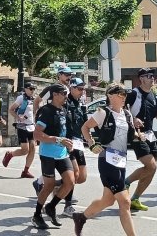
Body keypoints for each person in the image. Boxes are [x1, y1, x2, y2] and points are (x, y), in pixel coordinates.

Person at [74, 83, 140, 236]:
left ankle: (80, 217)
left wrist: (138, 136)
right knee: (125, 202)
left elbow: (128, 135)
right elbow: (85, 127)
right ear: (110, 96)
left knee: (108, 200)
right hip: (107, 160)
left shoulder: (127, 114)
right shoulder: (103, 112)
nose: (123, 97)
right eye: (120, 94)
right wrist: (91, 144)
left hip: (121, 160)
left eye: (124, 95)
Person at [124, 68, 157, 211]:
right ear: (141, 79)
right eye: (148, 76)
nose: (152, 78)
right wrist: (132, 119)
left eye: (153, 76)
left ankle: (135, 199)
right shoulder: (134, 94)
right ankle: (126, 182)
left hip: (150, 134)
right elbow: (120, 109)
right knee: (151, 166)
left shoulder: (153, 95)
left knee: (151, 170)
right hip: (136, 134)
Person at [30, 83, 74, 230]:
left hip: (61, 154)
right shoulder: (46, 111)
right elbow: (36, 134)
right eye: (63, 93)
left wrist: (69, 143)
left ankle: (51, 206)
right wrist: (56, 139)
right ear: (55, 94)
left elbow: (64, 131)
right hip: (47, 154)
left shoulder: (64, 110)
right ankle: (37, 215)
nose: (66, 96)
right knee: (48, 185)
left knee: (70, 182)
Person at [61, 77, 88, 217]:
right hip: (69, 142)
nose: (82, 91)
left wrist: (89, 139)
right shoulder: (65, 103)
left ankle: (50, 184)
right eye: (79, 89)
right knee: (75, 173)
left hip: (79, 142)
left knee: (82, 177)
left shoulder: (81, 104)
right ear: (71, 88)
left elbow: (85, 124)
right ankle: (68, 205)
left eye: (83, 89)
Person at [2, 82, 37, 178]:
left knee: (33, 148)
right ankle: (10, 154)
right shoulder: (21, 98)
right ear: (25, 89)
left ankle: (26, 171)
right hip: (22, 126)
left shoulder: (34, 99)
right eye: (31, 88)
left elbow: (34, 113)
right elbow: (11, 109)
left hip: (31, 126)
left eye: (34, 89)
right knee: (25, 150)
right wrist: (18, 117)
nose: (32, 91)